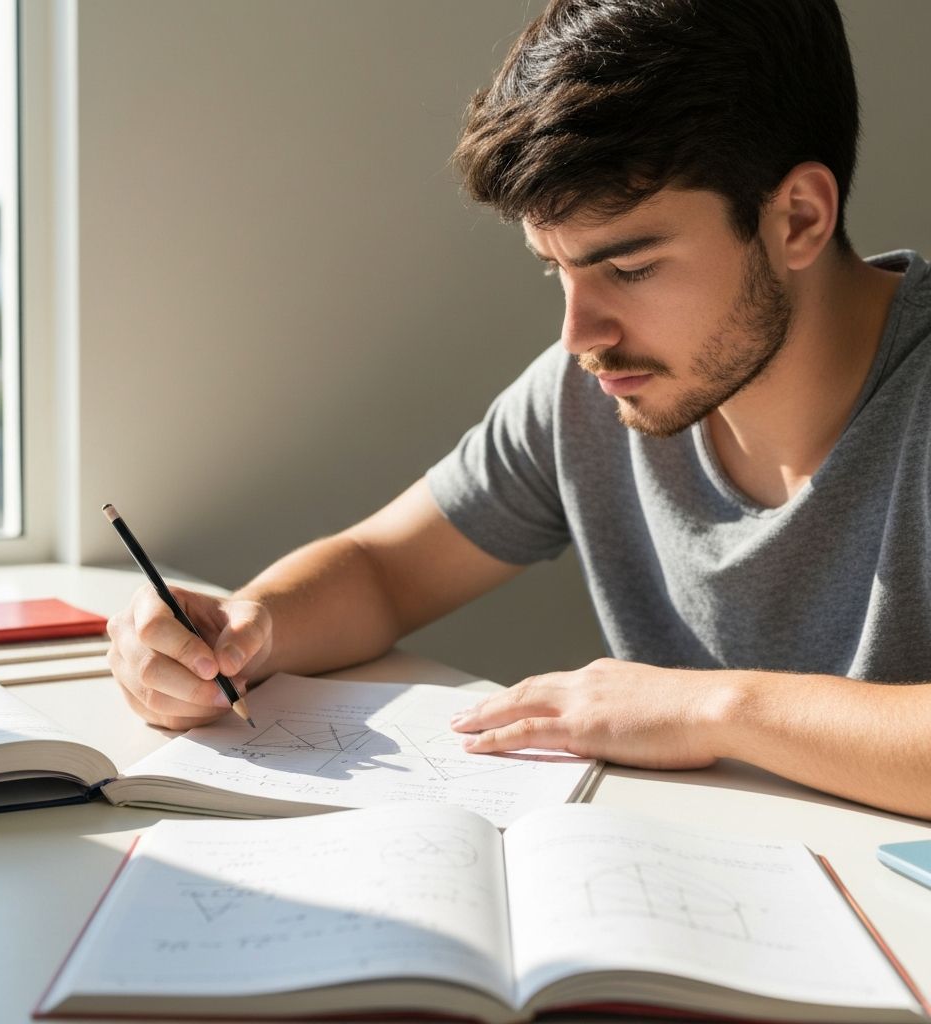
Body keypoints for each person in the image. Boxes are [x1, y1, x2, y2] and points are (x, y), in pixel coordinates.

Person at [107, 0, 931, 820]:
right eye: (556, 271)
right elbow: (385, 571)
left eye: (632, 267)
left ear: (798, 218)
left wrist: (705, 708)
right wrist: (245, 627)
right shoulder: (594, 390)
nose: (580, 333)